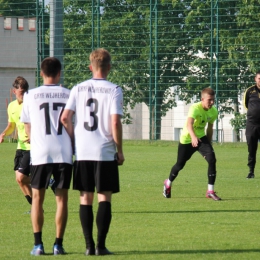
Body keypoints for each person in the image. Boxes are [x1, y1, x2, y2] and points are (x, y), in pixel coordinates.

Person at [61, 48, 124, 256]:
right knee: (104, 197)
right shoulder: (114, 89)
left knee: (85, 198)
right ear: (109, 68)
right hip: (104, 152)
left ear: (90, 67)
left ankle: (88, 247)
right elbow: (115, 121)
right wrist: (120, 149)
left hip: (83, 151)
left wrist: (73, 140)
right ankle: (100, 246)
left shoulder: (78, 88)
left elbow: (64, 117)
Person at [20, 57, 73, 255]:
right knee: (61, 200)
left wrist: (35, 144)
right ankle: (58, 245)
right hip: (63, 151)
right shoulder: (68, 94)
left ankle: (38, 245)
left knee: (37, 198)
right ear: (59, 73)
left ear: (41, 73)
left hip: (41, 153)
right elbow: (69, 122)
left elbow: (27, 126)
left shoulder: (30, 95)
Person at [163, 87, 221, 201]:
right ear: (202, 99)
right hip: (187, 139)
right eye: (209, 100)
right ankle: (168, 183)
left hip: (201, 138)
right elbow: (189, 124)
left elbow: (210, 128)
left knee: (212, 159)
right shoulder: (195, 108)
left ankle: (210, 191)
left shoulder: (213, 111)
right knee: (180, 165)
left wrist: (208, 145)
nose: (212, 102)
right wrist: (193, 137)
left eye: (213, 100)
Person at [0, 77, 32, 211]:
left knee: (21, 177)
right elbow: (11, 126)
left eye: (25, 92)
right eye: (21, 92)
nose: (23, 95)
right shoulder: (12, 106)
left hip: (32, 147)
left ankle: (46, 180)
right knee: (19, 180)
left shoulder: (31, 104)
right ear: (14, 91)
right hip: (21, 147)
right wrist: (3, 134)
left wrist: (34, 137)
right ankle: (35, 207)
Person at [244, 70, 260, 179]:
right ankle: (251, 171)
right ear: (255, 79)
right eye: (259, 78)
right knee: (251, 148)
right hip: (252, 124)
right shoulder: (250, 91)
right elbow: (246, 105)